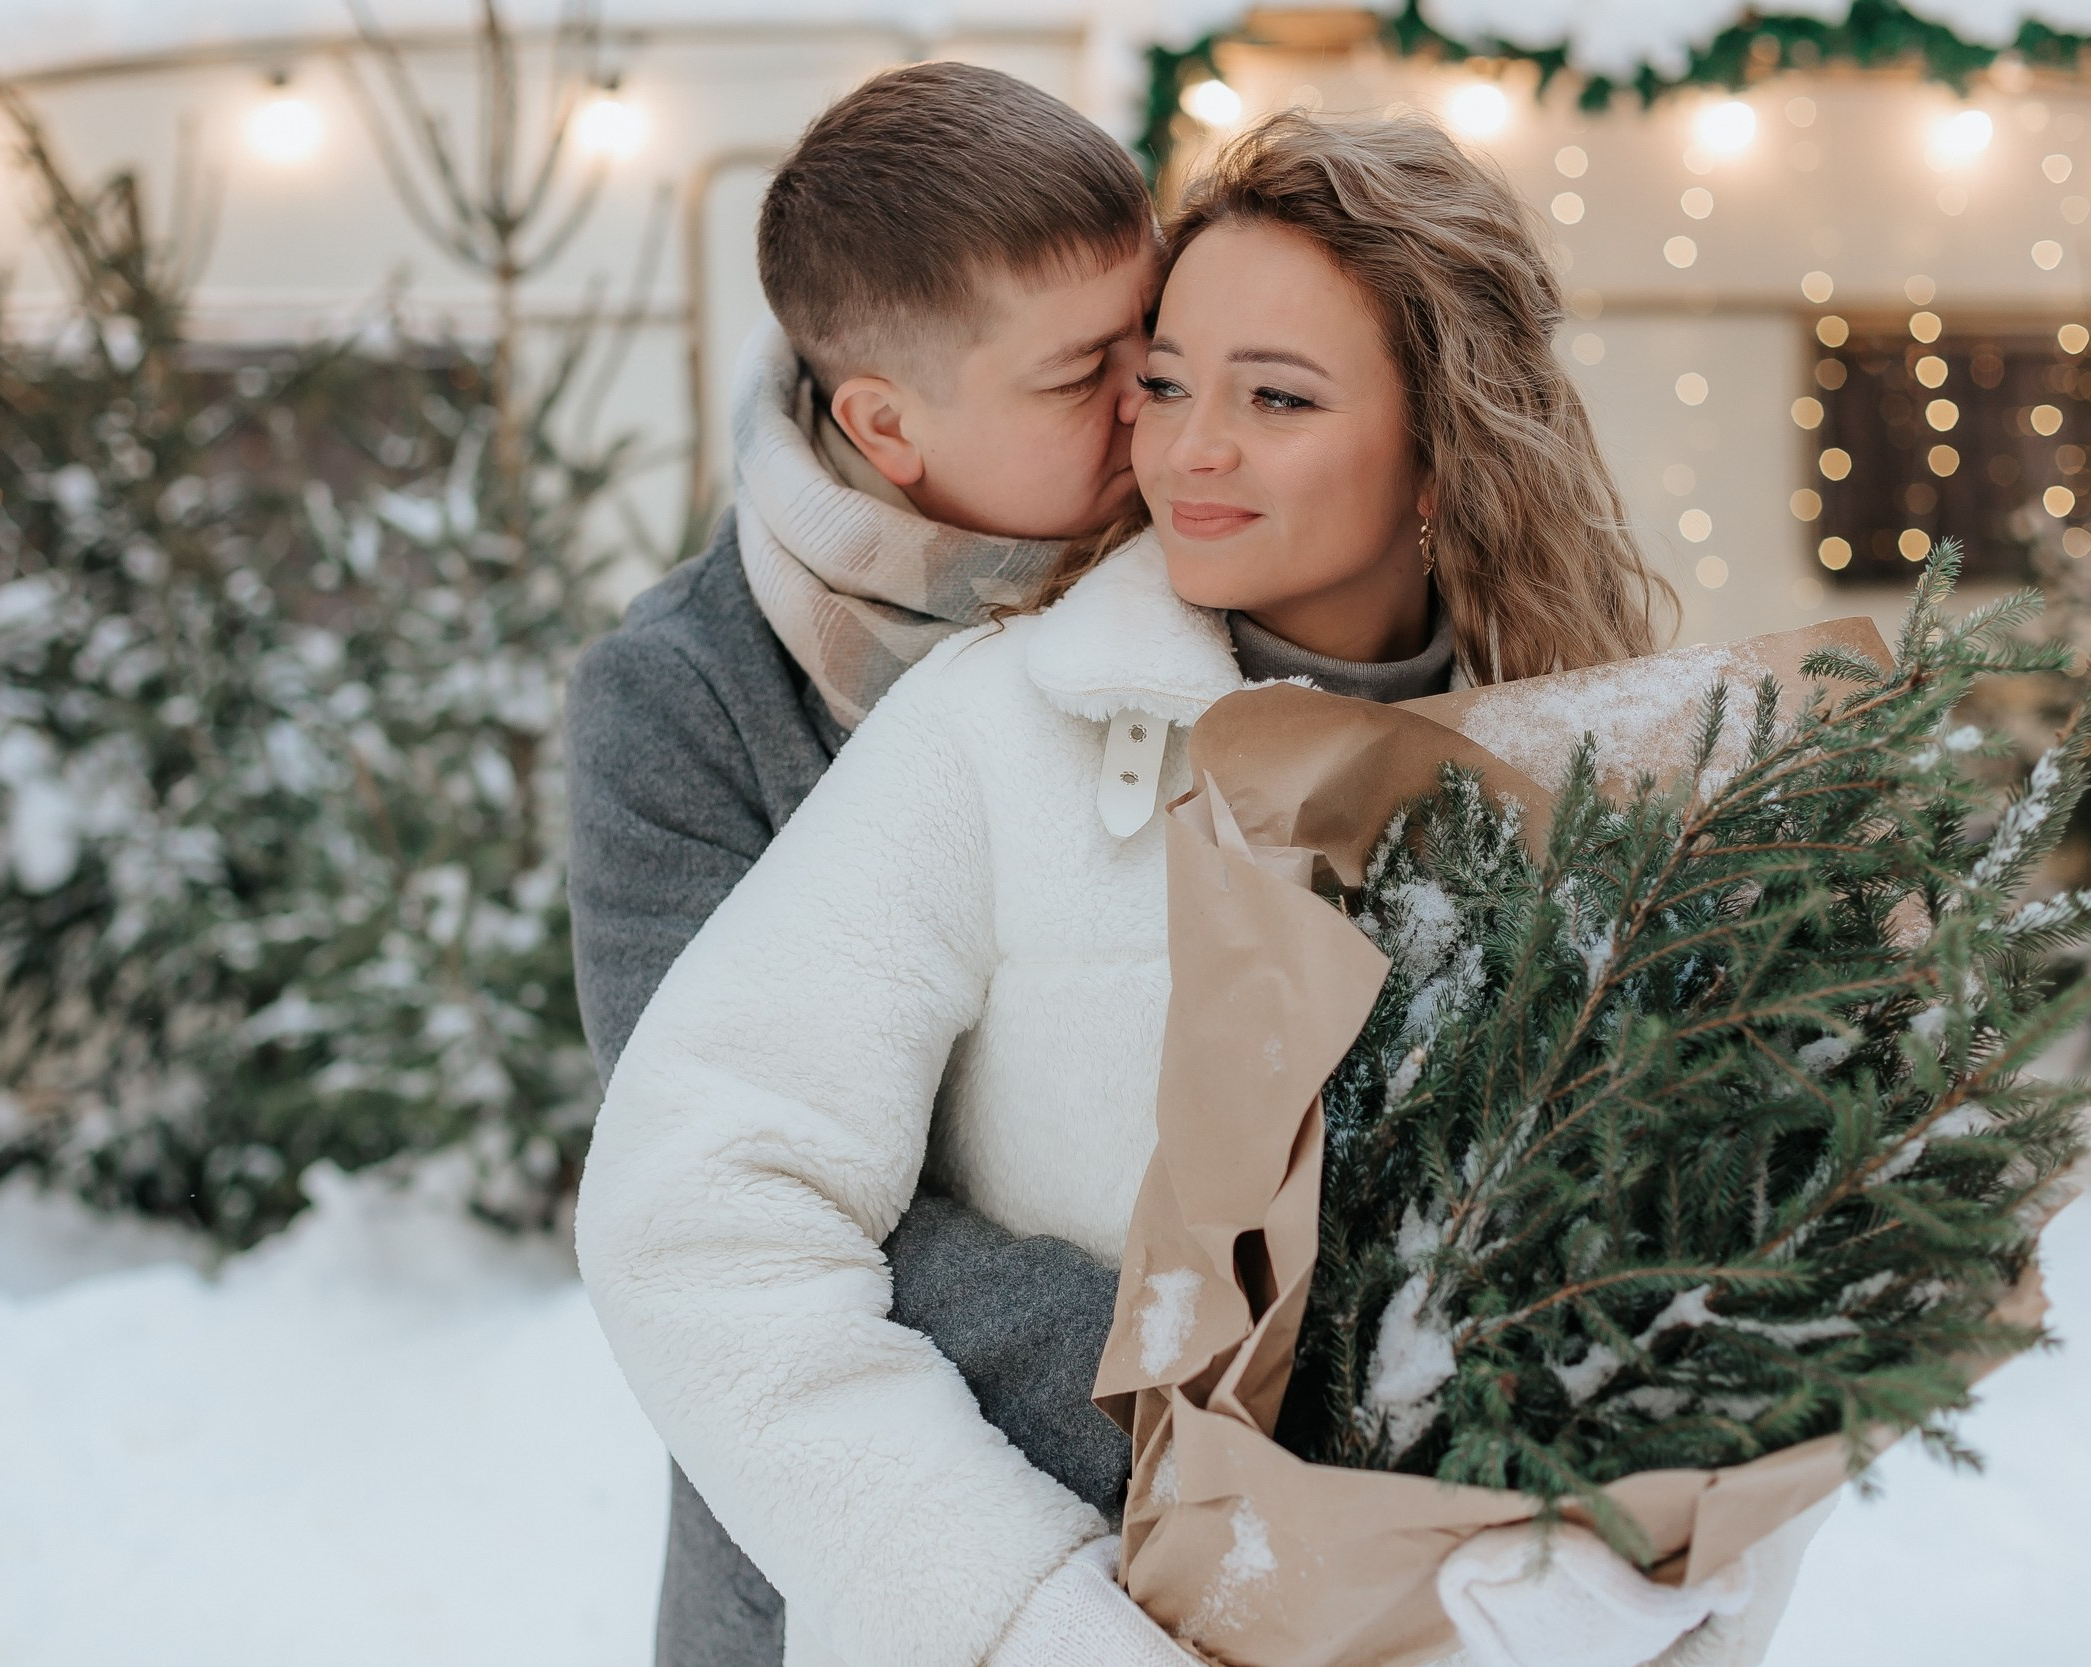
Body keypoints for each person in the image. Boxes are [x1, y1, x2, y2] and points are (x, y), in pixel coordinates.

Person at [579, 111, 1824, 1667]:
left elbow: (1763, 1277)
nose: (1169, 443)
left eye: (1267, 392)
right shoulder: (974, 725)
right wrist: (1076, 1581)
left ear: (1446, 439)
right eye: (1155, 384)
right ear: (889, 424)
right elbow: (703, 1201)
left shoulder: (1612, 779)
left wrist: (1653, 1584)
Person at [562, 60, 1159, 1667]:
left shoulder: (1209, 579)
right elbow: (722, 1190)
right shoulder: (686, 701)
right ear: (886, 424)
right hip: (867, 1531)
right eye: (1081, 372)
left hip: (1237, 1531)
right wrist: (1197, 1379)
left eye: (1151, 341)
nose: (1151, 402)